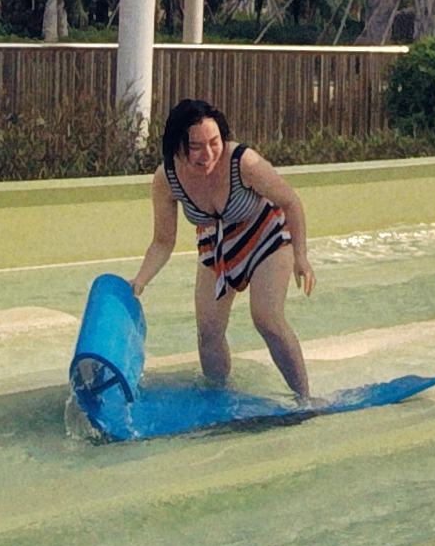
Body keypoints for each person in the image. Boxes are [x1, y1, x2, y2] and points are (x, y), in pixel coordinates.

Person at [135, 97, 316, 398]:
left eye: (214, 142)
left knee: (267, 319)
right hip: (216, 248)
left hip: (265, 238)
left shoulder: (242, 161)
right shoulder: (166, 178)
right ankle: (219, 398)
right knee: (208, 331)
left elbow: (290, 202)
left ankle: (305, 398)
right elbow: (163, 241)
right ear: (176, 147)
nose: (208, 154)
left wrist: (301, 257)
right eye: (196, 147)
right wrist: (140, 281)